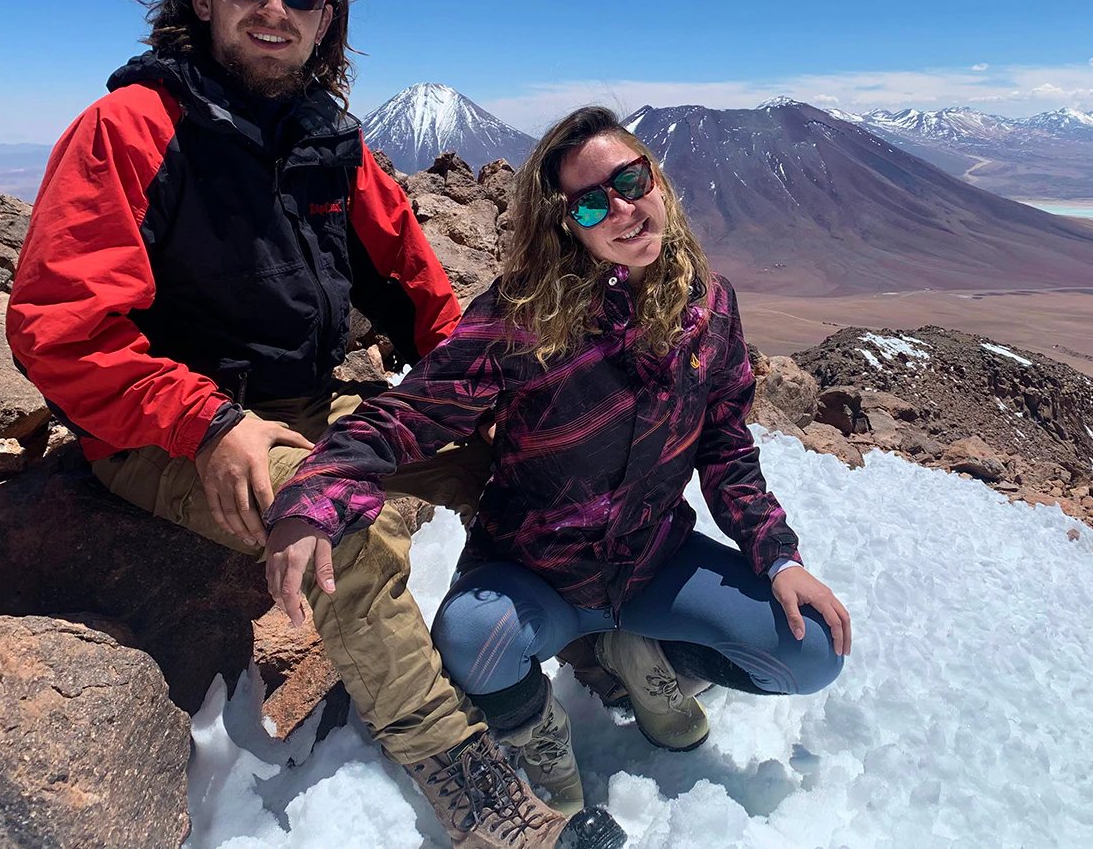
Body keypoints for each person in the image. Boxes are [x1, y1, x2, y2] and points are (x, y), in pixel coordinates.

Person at [5, 0, 621, 849]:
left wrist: (490, 402)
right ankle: (474, 792)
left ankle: (593, 647)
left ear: (325, 18)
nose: (275, 6)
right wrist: (207, 420)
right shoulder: (131, 127)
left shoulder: (329, 144)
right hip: (167, 429)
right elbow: (61, 329)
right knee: (341, 520)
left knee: (528, 457)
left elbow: (415, 288)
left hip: (303, 405)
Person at [265, 105, 852, 815]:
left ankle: (644, 655)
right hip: (537, 569)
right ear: (566, 223)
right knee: (472, 636)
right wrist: (319, 488)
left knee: (813, 649)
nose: (624, 210)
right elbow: (412, 412)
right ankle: (538, 732)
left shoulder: (710, 307)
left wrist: (778, 557)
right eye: (592, 203)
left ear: (657, 180)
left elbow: (725, 445)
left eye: (631, 181)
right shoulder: (522, 317)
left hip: (650, 561)